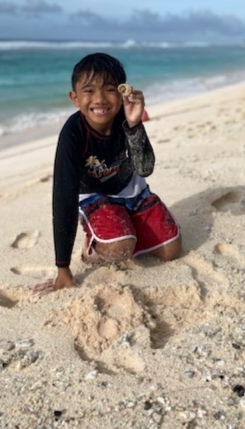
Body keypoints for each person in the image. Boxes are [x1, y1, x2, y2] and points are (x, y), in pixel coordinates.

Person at [35, 52, 181, 293]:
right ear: (75, 98)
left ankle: (126, 229)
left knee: (171, 251)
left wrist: (135, 125)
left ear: (122, 93)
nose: (100, 99)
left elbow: (145, 168)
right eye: (89, 90)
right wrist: (63, 268)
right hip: (95, 198)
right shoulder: (73, 134)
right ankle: (93, 246)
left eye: (110, 89)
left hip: (133, 193)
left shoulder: (126, 119)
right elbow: (64, 198)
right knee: (119, 247)